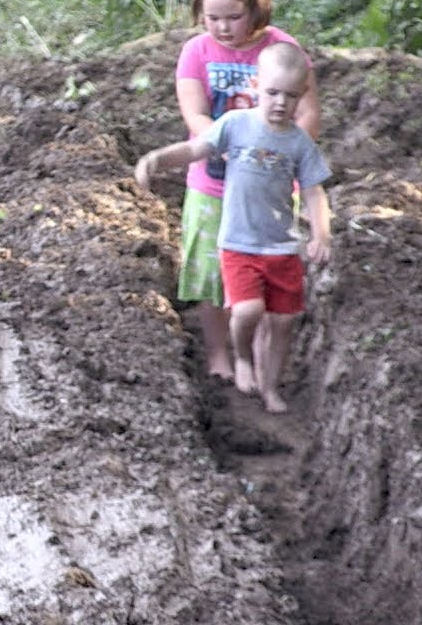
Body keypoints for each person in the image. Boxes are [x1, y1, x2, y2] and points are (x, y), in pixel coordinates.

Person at [137, 42, 331, 413]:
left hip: (281, 246)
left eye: (290, 96)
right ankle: (242, 357)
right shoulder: (235, 124)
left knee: (285, 320)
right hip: (238, 244)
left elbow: (313, 193)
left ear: (302, 96)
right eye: (272, 92)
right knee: (246, 311)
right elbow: (196, 150)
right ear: (256, 85)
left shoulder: (299, 144)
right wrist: (158, 159)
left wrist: (321, 235)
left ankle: (270, 386)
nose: (279, 103)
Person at [173, 0, 321, 388]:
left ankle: (259, 357)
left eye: (233, 17)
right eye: (211, 17)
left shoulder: (281, 48)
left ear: (256, 10)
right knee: (212, 271)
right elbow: (195, 113)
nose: (222, 27)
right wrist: (230, 148)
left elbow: (308, 110)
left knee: (267, 271)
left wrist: (283, 148)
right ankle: (219, 352)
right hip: (212, 183)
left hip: (270, 188)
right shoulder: (196, 51)